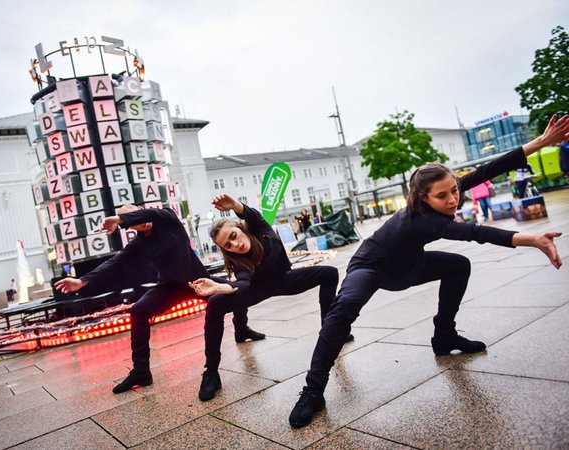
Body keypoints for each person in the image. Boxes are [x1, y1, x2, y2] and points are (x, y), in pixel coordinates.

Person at [288, 114, 568, 428]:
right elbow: (474, 233)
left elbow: (489, 169)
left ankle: (444, 336)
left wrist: (542, 142)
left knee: (457, 266)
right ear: (423, 198)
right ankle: (312, 392)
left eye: (454, 191)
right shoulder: (425, 218)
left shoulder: (443, 193)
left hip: (409, 265)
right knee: (343, 311)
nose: (452, 199)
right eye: (443, 196)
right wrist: (531, 239)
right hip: (371, 266)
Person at [54, 204, 260, 394]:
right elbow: (115, 262)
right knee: (138, 310)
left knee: (233, 290)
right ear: (131, 228)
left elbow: (151, 214)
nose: (140, 222)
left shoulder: (167, 218)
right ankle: (141, 372)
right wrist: (82, 281)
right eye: (133, 223)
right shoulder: (139, 244)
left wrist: (120, 218)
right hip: (169, 287)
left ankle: (241, 329)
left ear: (140, 210)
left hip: (198, 281)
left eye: (135, 215)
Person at [189, 194, 352, 401]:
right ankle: (211, 372)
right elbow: (242, 283)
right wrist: (220, 287)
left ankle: (331, 330)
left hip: (284, 280)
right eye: (228, 246)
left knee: (328, 273)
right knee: (215, 303)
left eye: (233, 235)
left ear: (241, 228)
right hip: (255, 290)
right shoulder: (239, 261)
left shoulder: (261, 230)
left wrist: (236, 205)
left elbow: (252, 215)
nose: (235, 244)